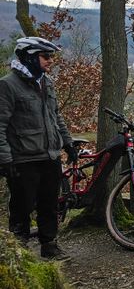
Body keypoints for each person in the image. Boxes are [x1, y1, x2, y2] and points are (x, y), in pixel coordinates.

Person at [0, 36, 75, 260]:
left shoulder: (46, 83)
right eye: (45, 56)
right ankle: (18, 252)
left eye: (51, 56)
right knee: (22, 207)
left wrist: (68, 142)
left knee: (49, 205)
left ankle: (49, 246)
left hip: (50, 155)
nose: (50, 61)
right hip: (23, 159)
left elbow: (56, 117)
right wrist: (5, 159)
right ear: (30, 57)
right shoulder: (8, 85)